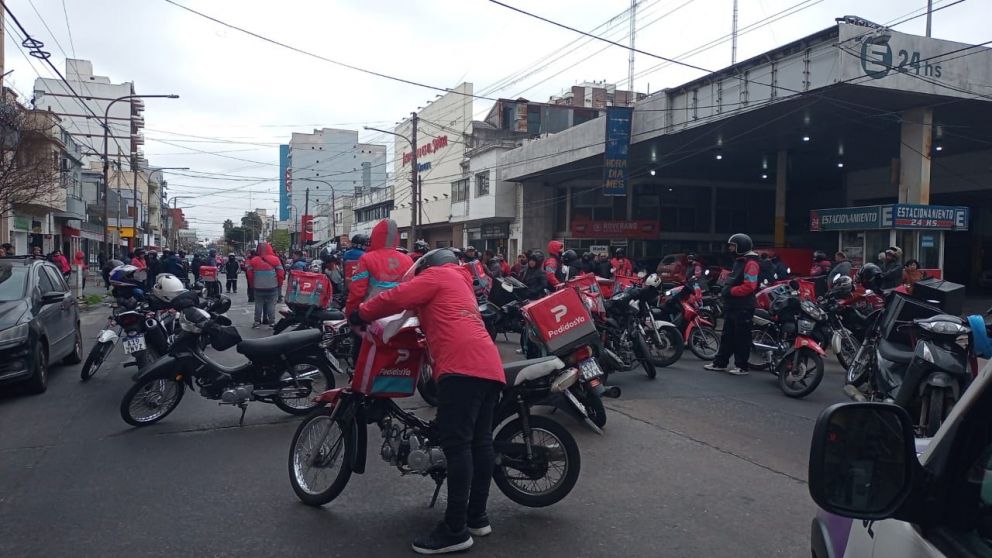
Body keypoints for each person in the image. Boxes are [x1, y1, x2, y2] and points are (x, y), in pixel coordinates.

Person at [352, 248, 505, 554]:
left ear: (426, 267)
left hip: (461, 368)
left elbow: (394, 297)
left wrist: (361, 312)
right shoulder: (461, 283)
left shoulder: (436, 277)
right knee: (480, 443)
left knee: (458, 446)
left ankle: (455, 530)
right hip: (490, 366)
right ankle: (477, 517)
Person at [704, 233, 760, 376]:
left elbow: (750, 286)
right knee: (727, 336)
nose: (730, 249)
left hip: (744, 306)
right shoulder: (739, 261)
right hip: (732, 305)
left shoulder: (751, 263)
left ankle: (742, 366)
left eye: (733, 246)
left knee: (741, 338)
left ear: (741, 246)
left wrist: (731, 291)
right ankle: (720, 363)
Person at [245, 242, 285, 328]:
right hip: (272, 286)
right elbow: (281, 273)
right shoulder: (275, 259)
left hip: (258, 287)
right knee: (271, 304)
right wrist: (279, 284)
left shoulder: (254, 260)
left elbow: (249, 274)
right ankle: (272, 322)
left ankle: (257, 322)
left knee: (258, 304)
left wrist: (252, 284)